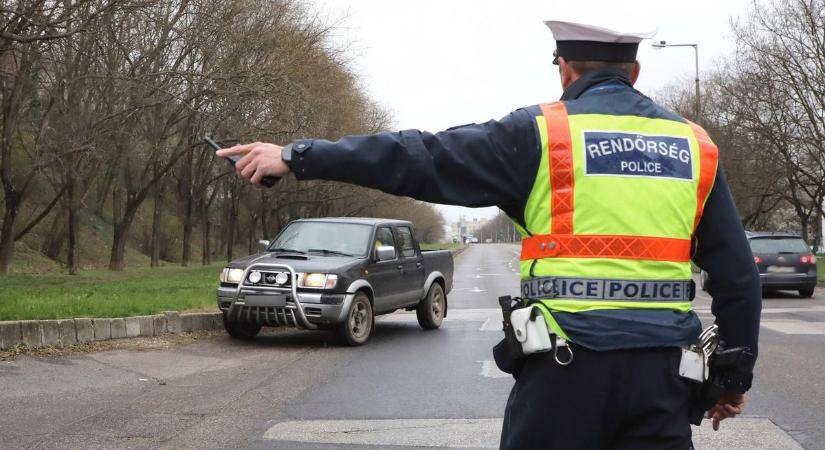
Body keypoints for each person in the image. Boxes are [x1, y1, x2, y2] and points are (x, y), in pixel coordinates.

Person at [217, 18, 761, 450]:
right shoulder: (695, 146)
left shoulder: (541, 135)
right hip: (662, 378)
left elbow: (418, 157)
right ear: (635, 72)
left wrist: (295, 155)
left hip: (563, 375)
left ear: (565, 70)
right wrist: (732, 380)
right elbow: (738, 278)